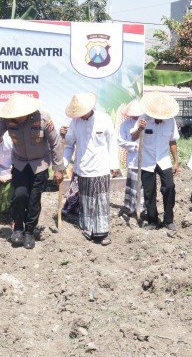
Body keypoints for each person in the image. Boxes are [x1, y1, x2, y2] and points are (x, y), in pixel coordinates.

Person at [0, 92, 65, 250]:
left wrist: (58, 168)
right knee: (20, 195)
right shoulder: (6, 120)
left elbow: (55, 142)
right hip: (20, 163)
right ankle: (18, 228)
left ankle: (29, 231)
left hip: (40, 164)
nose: (18, 118)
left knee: (34, 199)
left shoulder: (42, 117)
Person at [63, 93, 119, 245]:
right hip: (83, 167)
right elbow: (69, 144)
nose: (81, 115)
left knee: (101, 199)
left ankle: (102, 233)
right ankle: (88, 230)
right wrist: (63, 164)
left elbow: (112, 142)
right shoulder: (75, 122)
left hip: (101, 166)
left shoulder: (104, 119)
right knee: (86, 200)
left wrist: (114, 164)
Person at [132, 91, 180, 231]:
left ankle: (168, 219)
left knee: (169, 187)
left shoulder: (170, 121)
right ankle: (152, 220)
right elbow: (133, 137)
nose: (159, 119)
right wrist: (140, 129)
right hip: (147, 160)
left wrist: (176, 161)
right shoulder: (143, 119)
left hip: (164, 159)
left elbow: (172, 141)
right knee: (149, 191)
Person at [118, 99, 143, 218]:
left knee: (143, 185)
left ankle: (143, 208)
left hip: (146, 159)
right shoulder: (125, 125)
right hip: (133, 158)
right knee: (133, 184)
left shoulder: (145, 121)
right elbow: (121, 141)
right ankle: (130, 207)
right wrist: (134, 146)